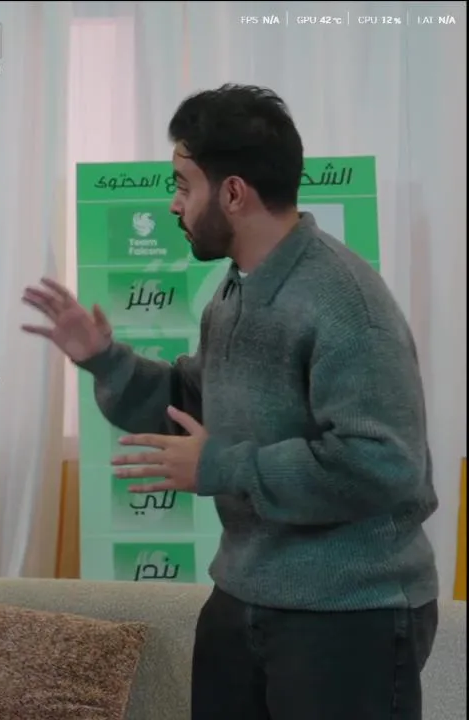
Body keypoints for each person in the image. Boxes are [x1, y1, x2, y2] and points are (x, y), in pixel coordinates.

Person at [23, 84, 439, 720]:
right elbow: (193, 401)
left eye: (183, 186)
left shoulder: (345, 302)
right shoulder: (235, 292)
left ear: (234, 193)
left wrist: (220, 466)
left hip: (350, 614)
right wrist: (104, 358)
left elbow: (381, 464)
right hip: (244, 595)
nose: (173, 204)